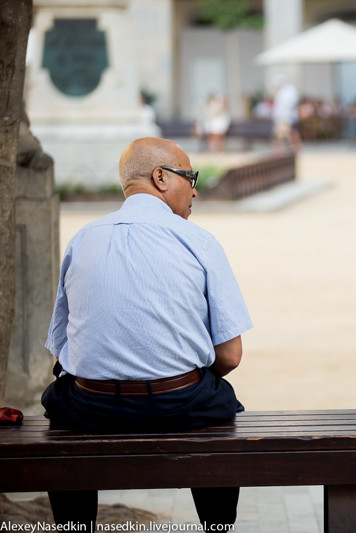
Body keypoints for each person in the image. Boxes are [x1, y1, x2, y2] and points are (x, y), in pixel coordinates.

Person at [41, 137, 253, 532]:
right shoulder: (199, 241)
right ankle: (218, 526)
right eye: (190, 177)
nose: (195, 189)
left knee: (58, 400)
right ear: (160, 177)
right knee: (222, 404)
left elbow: (60, 348)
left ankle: (73, 527)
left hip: (91, 407)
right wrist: (172, 375)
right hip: (179, 403)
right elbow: (230, 356)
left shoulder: (82, 239)